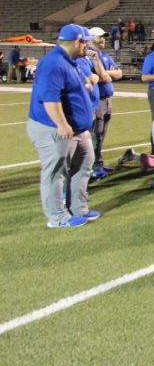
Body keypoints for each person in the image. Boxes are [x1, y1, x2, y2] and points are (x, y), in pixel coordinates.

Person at [26, 24, 100, 228]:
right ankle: (57, 217)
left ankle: (78, 208)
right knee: (56, 172)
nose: (88, 46)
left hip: (77, 129)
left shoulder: (70, 61)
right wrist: (62, 123)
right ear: (78, 42)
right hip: (55, 128)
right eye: (86, 42)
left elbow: (76, 86)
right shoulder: (53, 63)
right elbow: (50, 98)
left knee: (84, 164)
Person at [87, 27, 121, 180]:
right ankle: (93, 166)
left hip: (107, 99)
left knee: (102, 134)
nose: (103, 39)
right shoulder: (87, 56)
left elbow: (119, 73)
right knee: (96, 134)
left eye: (104, 37)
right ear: (91, 38)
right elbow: (99, 77)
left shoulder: (104, 56)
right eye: (100, 37)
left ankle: (98, 163)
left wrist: (106, 74)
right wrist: (106, 74)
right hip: (96, 100)